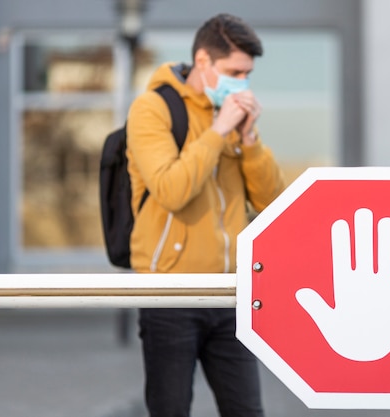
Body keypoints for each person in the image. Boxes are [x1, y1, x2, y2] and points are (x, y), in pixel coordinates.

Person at [126, 13, 285, 417]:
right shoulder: (152, 109)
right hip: (169, 293)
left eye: (247, 74)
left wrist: (248, 140)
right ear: (203, 62)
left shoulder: (233, 120)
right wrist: (217, 133)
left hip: (231, 293)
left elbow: (273, 205)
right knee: (171, 410)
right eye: (234, 71)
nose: (242, 84)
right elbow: (171, 189)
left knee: (247, 411)